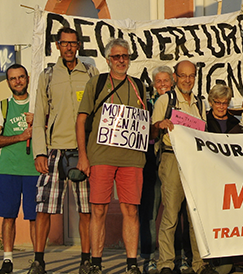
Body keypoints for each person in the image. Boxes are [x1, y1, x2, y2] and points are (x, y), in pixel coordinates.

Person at [30, 27, 99, 274]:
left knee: (86, 209)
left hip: (83, 152)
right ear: (57, 46)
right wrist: (39, 152)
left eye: (73, 43)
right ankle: (38, 260)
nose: (69, 47)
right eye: (64, 43)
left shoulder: (91, 72)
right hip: (55, 151)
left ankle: (85, 260)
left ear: (78, 45)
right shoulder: (47, 76)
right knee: (44, 208)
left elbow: (100, 113)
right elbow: (39, 115)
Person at [77, 38, 147, 274]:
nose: (121, 60)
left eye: (125, 56)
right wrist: (83, 156)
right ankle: (96, 263)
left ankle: (131, 264)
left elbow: (143, 123)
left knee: (131, 211)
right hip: (101, 157)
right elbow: (81, 120)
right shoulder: (96, 83)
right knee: (98, 210)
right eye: (116, 56)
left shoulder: (139, 86)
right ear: (108, 60)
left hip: (132, 160)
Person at [152, 61, 216, 274]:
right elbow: (151, 133)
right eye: (183, 76)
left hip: (194, 162)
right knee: (170, 214)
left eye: (191, 76)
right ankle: (166, 263)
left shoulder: (199, 103)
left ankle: (199, 263)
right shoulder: (165, 100)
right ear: (175, 78)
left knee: (196, 216)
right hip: (171, 159)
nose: (187, 80)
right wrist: (159, 125)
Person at [0, 64, 38, 274]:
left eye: (21, 77)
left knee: (36, 217)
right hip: (8, 170)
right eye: (12, 79)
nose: (17, 81)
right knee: (8, 216)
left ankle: (38, 259)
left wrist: (38, 124)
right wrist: (21, 136)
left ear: (27, 78)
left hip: (34, 170)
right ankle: (7, 260)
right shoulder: (3, 107)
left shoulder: (38, 105)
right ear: (8, 82)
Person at [140, 65, 174, 274]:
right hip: (149, 161)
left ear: (172, 82)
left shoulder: (178, 103)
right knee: (149, 211)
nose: (162, 84)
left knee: (172, 210)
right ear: (153, 84)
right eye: (158, 81)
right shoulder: (144, 103)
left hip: (171, 159)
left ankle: (175, 255)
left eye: (166, 81)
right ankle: (149, 256)